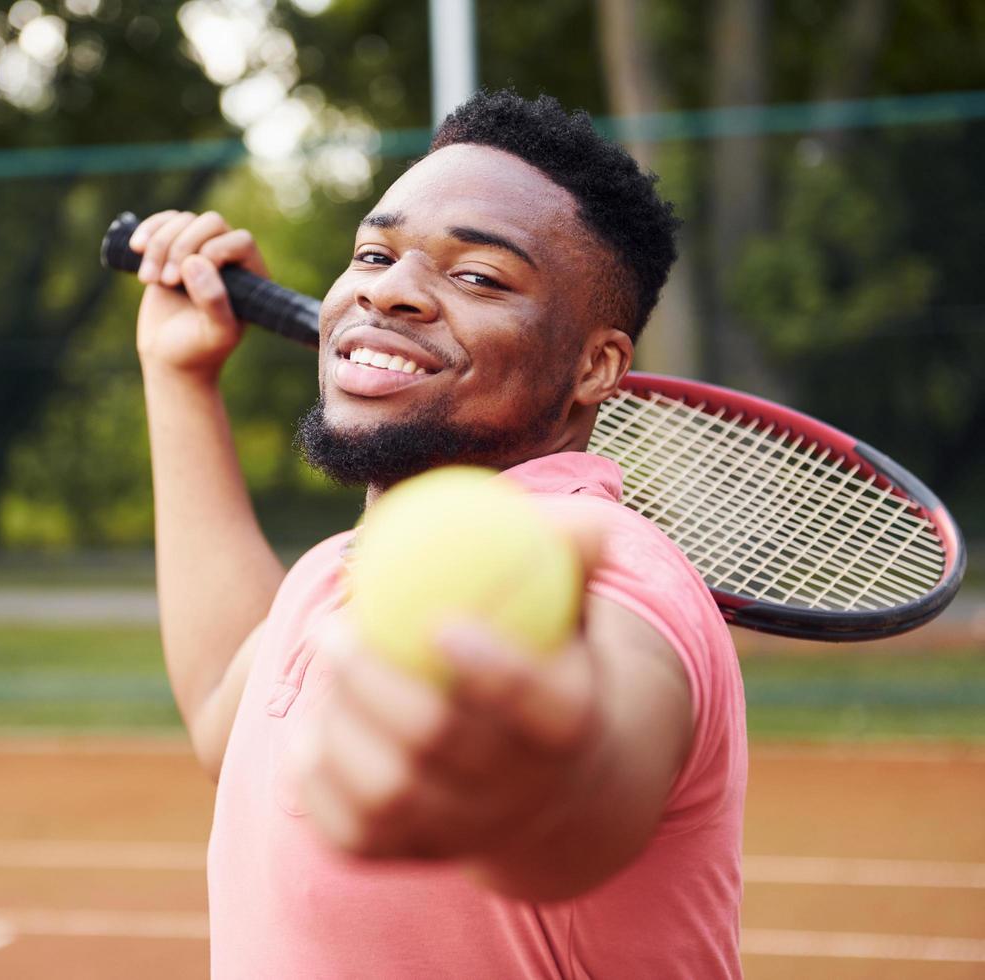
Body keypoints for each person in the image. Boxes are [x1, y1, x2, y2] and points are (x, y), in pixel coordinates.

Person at [129, 90, 746, 978]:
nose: (388, 289)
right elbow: (225, 715)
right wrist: (179, 377)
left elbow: (602, 750)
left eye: (479, 277)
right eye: (374, 253)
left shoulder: (608, 563)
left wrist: (529, 793)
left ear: (595, 366)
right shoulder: (337, 569)